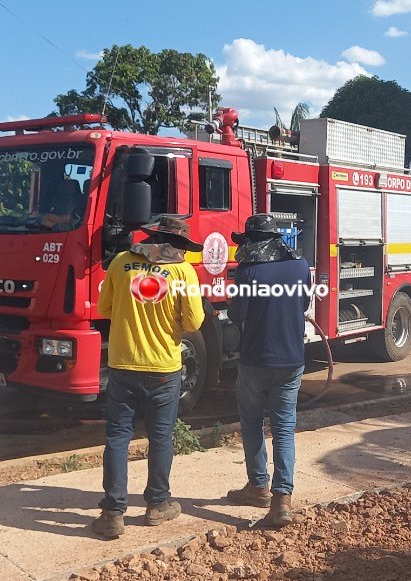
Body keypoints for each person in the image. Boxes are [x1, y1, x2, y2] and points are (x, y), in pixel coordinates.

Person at [92, 216, 205, 538]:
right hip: (163, 369)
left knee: (117, 437)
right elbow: (194, 323)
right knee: (161, 437)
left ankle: (113, 513)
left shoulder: (120, 262)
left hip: (123, 364)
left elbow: (105, 308)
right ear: (178, 244)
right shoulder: (183, 271)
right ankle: (157, 505)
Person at [225, 214, 311, 528]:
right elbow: (303, 304)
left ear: (251, 241)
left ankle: (258, 486)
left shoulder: (248, 270)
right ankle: (281, 500)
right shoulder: (300, 266)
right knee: (284, 428)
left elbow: (237, 314)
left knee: (251, 424)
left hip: (255, 360)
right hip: (291, 360)